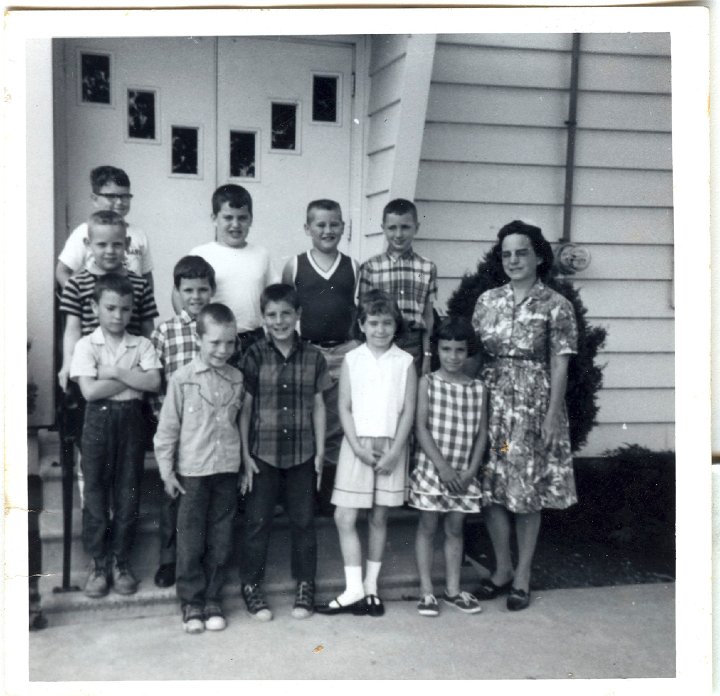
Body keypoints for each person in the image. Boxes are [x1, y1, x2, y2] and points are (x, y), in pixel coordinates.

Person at [471, 220, 578, 611]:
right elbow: (475, 355)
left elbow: (560, 365)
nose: (514, 260)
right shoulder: (487, 301)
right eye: (507, 254)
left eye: (522, 252)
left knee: (525, 490)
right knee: (493, 486)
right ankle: (500, 570)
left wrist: (552, 416)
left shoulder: (556, 305)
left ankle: (523, 575)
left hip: (532, 406)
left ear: (538, 256)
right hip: (493, 404)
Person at [317, 289, 417, 617]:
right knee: (344, 515)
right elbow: (343, 406)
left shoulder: (405, 362)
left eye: (387, 323)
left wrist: (396, 451)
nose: (380, 330)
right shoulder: (352, 359)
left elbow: (408, 412)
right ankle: (353, 588)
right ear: (361, 325)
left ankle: (371, 588)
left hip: (391, 446)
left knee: (378, 516)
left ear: (395, 325)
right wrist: (357, 446)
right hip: (356, 445)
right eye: (373, 323)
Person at [239, 284, 331, 622]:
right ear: (263, 318)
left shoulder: (313, 357)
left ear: (298, 316)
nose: (279, 321)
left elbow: (319, 406)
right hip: (263, 453)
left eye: (285, 314)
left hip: (302, 453)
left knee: (304, 522)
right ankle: (251, 584)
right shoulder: (254, 355)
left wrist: (320, 451)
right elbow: (245, 409)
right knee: (257, 521)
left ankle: (305, 584)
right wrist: (246, 454)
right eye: (272, 315)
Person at [153, 303, 244, 634]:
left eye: (230, 343)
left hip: (227, 469)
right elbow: (167, 431)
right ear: (198, 338)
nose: (223, 350)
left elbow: (241, 427)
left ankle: (213, 598)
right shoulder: (182, 379)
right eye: (215, 342)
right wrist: (166, 472)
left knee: (221, 536)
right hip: (192, 472)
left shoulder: (237, 379)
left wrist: (245, 465)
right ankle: (191, 600)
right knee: (190, 538)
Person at [69, 273, 161, 598]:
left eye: (124, 308)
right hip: (97, 423)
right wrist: (133, 378)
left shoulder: (143, 344)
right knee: (94, 494)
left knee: (128, 493)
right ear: (95, 307)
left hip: (132, 423)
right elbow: (91, 391)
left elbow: (154, 383)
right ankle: (98, 563)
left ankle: (122, 561)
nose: (117, 315)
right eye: (110, 308)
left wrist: (117, 373)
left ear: (132, 307)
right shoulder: (85, 345)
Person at [281, 199, 359, 510]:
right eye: (320, 225)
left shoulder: (353, 266)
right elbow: (285, 310)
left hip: (343, 350)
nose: (328, 230)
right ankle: (300, 493)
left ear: (343, 227)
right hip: (309, 351)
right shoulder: (295, 265)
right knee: (306, 420)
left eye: (334, 224)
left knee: (338, 421)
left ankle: (329, 491)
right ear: (307, 228)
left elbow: (357, 311)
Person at [409, 316, 488, 617]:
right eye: (446, 349)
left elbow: (483, 434)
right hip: (434, 469)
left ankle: (453, 590)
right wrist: (442, 468)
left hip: (464, 472)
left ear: (468, 352)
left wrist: (470, 471)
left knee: (455, 528)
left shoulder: (478, 388)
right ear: (437, 350)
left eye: (459, 350)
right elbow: (421, 428)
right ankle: (426, 590)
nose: (453, 357)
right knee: (428, 526)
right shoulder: (427, 382)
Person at [149, 255, 217, 589]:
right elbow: (155, 379)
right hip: (177, 426)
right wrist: (161, 417)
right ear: (177, 291)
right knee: (173, 492)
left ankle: (201, 557)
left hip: (210, 428)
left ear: (212, 291)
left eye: (202, 290)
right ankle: (169, 559)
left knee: (205, 496)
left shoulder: (217, 330)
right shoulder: (163, 332)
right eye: (188, 290)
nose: (196, 297)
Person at [58, 210, 158, 391]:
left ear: (127, 244)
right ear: (88, 244)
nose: (110, 251)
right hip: (92, 368)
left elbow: (147, 330)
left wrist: (148, 366)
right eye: (102, 244)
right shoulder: (76, 284)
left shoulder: (140, 284)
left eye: (117, 244)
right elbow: (72, 330)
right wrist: (68, 363)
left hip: (131, 367)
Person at [180, 184, 274, 356]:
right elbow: (179, 294)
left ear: (251, 219)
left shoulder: (262, 254)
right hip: (216, 340)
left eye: (242, 218)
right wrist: (194, 327)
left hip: (254, 338)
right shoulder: (201, 254)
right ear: (214, 218)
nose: (235, 224)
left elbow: (271, 296)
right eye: (228, 218)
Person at [358, 198, 437, 376]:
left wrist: (427, 355)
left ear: (416, 227)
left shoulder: (425, 268)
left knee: (408, 397)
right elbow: (362, 313)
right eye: (392, 228)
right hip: (380, 340)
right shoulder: (371, 267)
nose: (399, 234)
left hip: (413, 344)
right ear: (383, 228)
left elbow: (428, 315)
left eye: (405, 227)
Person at [55, 165, 153, 289]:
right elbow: (62, 271)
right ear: (95, 199)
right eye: (111, 196)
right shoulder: (84, 232)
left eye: (124, 196)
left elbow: (146, 275)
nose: (119, 202)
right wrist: (78, 297)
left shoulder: (139, 234)